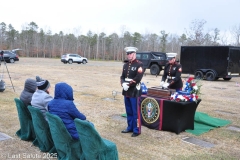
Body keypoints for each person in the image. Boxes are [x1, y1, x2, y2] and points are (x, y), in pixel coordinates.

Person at [120, 46, 144, 137]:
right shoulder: (125, 65)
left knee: (135, 112)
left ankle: (136, 129)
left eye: (130, 54)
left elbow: (138, 78)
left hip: (134, 91)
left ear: (134, 54)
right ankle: (130, 127)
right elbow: (122, 76)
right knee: (128, 110)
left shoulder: (139, 64)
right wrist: (123, 84)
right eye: (127, 54)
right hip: (126, 91)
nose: (128, 55)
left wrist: (128, 85)